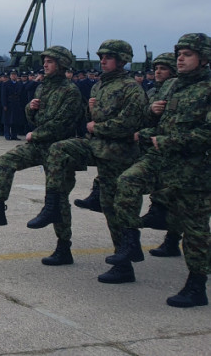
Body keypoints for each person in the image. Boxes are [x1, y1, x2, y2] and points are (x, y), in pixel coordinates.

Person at [26, 40, 146, 282]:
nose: (103, 61)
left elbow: (129, 124)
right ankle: (53, 203)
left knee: (114, 207)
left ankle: (124, 263)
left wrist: (96, 124)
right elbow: (94, 119)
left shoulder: (131, 88)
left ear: (121, 61)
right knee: (59, 149)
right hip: (97, 147)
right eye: (101, 56)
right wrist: (93, 114)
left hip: (118, 154)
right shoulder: (99, 87)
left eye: (108, 57)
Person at [109, 34, 211, 306]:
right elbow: (151, 123)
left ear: (203, 58)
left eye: (188, 54)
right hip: (161, 159)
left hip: (195, 169)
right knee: (127, 182)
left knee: (196, 229)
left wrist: (166, 140)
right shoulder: (171, 86)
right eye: (179, 53)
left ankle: (196, 285)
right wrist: (151, 119)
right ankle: (130, 242)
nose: (180, 58)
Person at [0, 46, 82, 230]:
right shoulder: (42, 88)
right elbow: (34, 119)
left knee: (58, 200)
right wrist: (30, 109)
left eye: (50, 62)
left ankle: (63, 247)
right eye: (45, 61)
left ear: (61, 64)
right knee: (6, 161)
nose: (45, 65)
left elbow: (62, 124)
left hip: (60, 149)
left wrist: (36, 134)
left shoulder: (70, 91)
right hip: (40, 146)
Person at [138, 52, 183, 257]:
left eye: (163, 68)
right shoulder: (152, 91)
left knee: (178, 198)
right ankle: (171, 241)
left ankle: (173, 240)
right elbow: (143, 116)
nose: (157, 72)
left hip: (174, 148)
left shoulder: (177, 89)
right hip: (154, 146)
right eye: (156, 68)